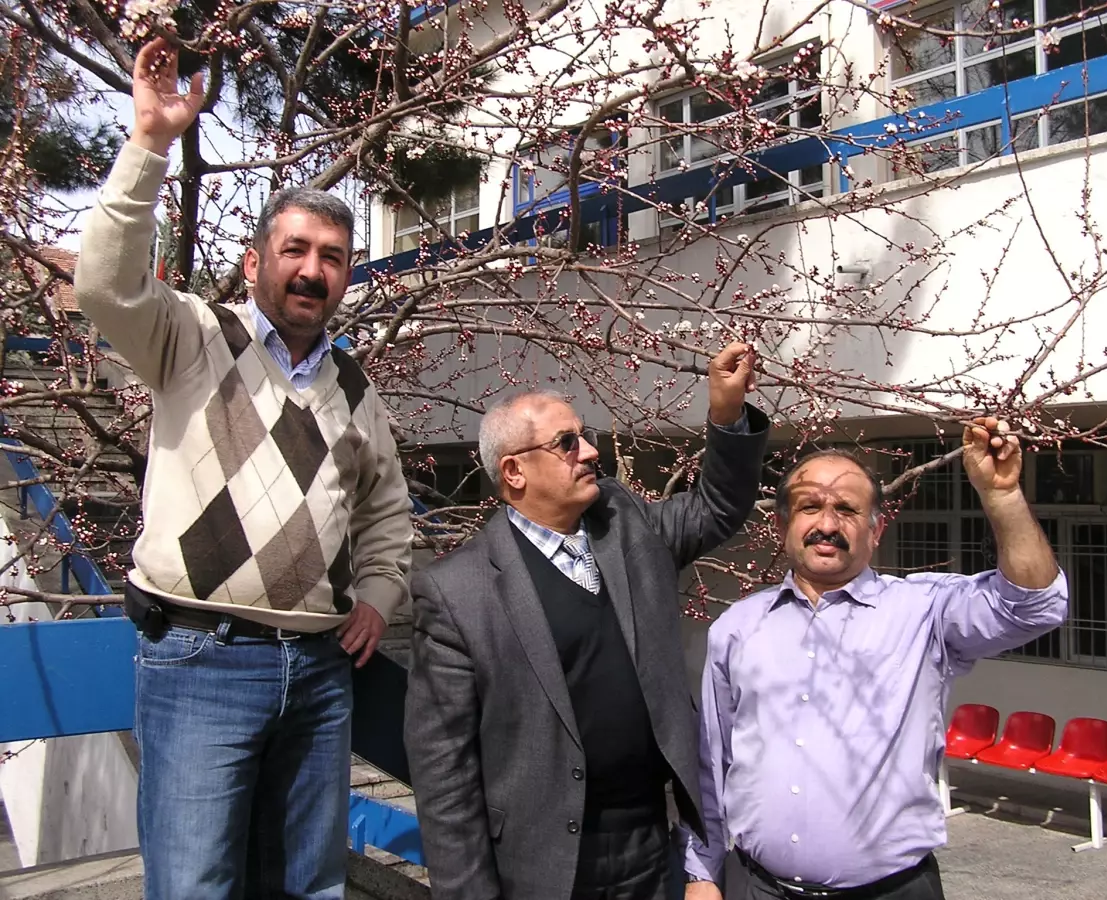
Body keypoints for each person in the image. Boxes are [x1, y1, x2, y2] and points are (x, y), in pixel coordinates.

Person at [73, 39, 414, 899]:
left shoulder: (353, 386)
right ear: (259, 260)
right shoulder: (191, 336)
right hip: (200, 659)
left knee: (311, 886)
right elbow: (105, 288)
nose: (313, 271)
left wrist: (379, 594)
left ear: (346, 276)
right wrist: (149, 142)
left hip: (319, 669)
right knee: (194, 884)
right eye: (296, 250)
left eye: (332, 257)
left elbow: (386, 511)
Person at [403, 342, 770, 900]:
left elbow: (717, 507)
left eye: (586, 436)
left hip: (648, 844)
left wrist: (725, 414)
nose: (591, 452)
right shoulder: (458, 591)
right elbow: (444, 773)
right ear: (514, 471)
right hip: (542, 865)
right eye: (567, 443)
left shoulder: (625, 526)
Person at [680, 418, 1069, 900]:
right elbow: (711, 763)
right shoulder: (737, 628)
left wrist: (1003, 496)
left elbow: (1036, 606)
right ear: (783, 525)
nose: (827, 524)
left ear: (875, 528)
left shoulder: (923, 613)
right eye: (810, 507)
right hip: (760, 888)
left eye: (847, 509)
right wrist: (701, 873)